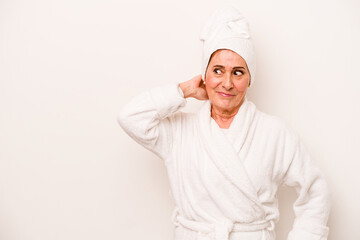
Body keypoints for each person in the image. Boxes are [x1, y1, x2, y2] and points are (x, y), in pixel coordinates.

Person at [116, 6, 331, 240]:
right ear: (204, 76)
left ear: (250, 80)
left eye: (238, 72)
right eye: (218, 71)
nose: (227, 83)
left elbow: (316, 191)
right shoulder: (179, 131)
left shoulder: (275, 133)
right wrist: (183, 91)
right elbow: (129, 117)